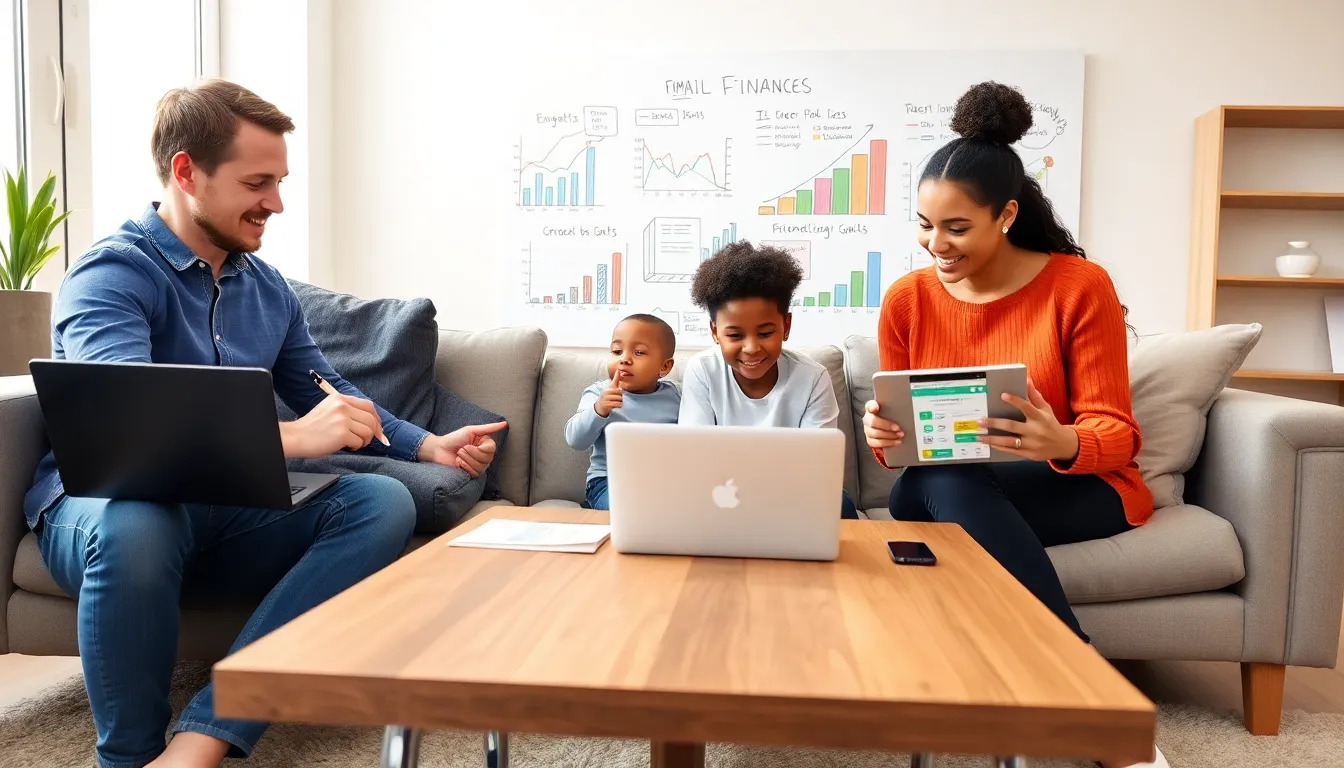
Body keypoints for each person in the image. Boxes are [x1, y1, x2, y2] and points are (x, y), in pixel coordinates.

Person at [22, 79, 507, 768]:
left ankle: (203, 738)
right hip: (103, 511)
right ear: (187, 172)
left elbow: (326, 389)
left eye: (278, 182)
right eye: (257, 183)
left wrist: (428, 445)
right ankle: (128, 758)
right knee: (141, 518)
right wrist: (298, 437)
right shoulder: (112, 275)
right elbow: (133, 427)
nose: (275, 203)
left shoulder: (266, 287)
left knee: (379, 501)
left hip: (218, 513)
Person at [861, 82, 1166, 768]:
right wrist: (885, 438)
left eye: (956, 227)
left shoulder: (1078, 286)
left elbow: (1118, 432)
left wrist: (1063, 440)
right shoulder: (907, 300)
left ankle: (1068, 690)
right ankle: (1082, 682)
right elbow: (900, 445)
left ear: (1005, 215)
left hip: (1078, 485)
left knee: (944, 489)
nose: (935, 245)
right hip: (945, 484)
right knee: (934, 481)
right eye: (923, 224)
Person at [679, 241, 859, 519]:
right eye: (735, 335)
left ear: (786, 326)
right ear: (715, 332)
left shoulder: (813, 378)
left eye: (764, 334)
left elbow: (818, 464)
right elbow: (696, 456)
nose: (751, 348)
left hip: (793, 492)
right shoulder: (702, 370)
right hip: (723, 490)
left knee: (841, 504)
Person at [565, 313, 681, 509]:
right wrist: (599, 410)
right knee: (633, 510)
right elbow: (575, 440)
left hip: (662, 483)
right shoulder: (599, 393)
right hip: (608, 482)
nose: (624, 359)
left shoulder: (677, 395)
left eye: (639, 353)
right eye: (617, 351)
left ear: (664, 366)